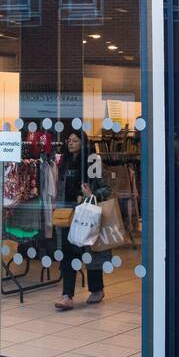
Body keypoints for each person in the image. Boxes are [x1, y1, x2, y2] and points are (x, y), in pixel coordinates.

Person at [53, 129, 111, 311]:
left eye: (75, 140)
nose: (70, 143)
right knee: (68, 252)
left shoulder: (93, 161)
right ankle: (67, 295)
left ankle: (96, 289)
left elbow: (107, 189)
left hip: (87, 212)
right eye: (69, 140)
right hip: (67, 213)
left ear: (83, 142)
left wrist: (91, 194)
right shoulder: (64, 161)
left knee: (90, 250)